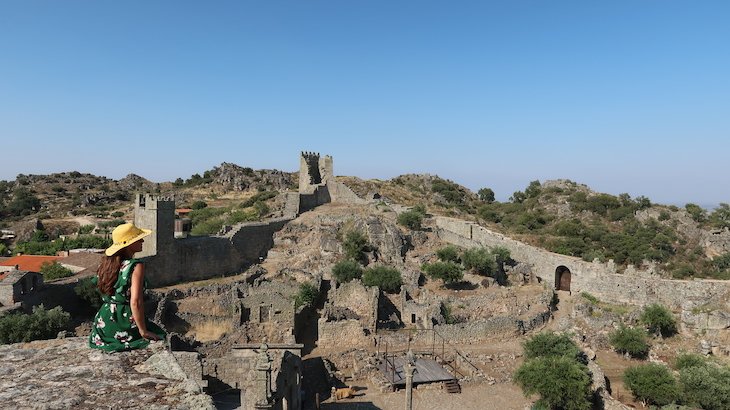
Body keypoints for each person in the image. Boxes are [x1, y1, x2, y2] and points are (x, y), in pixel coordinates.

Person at [89, 222, 166, 351]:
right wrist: (143, 331)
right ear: (129, 244)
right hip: (124, 323)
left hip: (103, 323)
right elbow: (135, 302)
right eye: (138, 239)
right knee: (160, 336)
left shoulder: (105, 264)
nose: (142, 240)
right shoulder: (135, 266)